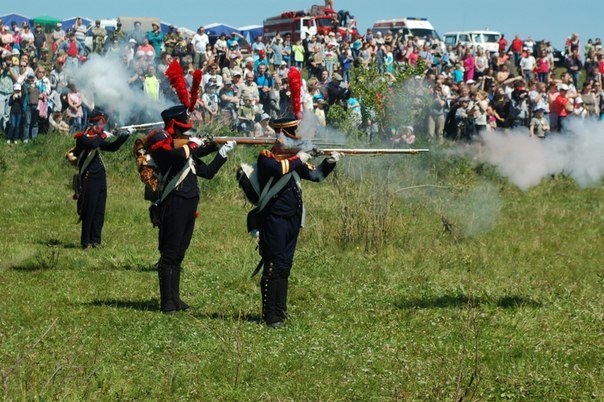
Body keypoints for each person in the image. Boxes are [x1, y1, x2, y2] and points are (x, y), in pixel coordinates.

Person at [146, 104, 235, 313]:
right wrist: (194, 145)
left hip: (188, 204)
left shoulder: (186, 150)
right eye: (184, 131)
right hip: (173, 202)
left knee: (179, 254)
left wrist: (221, 151)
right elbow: (175, 157)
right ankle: (167, 302)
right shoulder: (162, 144)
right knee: (169, 254)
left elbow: (208, 172)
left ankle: (175, 299)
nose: (188, 134)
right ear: (175, 127)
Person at [253, 117, 340, 327]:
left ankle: (280, 311)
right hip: (273, 219)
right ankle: (270, 315)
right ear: (281, 136)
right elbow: (277, 170)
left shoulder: (293, 159)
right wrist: (300, 157)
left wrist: (330, 162)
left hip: (292, 218)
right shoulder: (267, 157)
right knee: (273, 265)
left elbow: (315, 175)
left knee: (284, 266)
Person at [66, 109, 129, 250]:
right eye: (99, 124)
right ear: (93, 124)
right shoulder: (82, 138)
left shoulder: (97, 137)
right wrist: (104, 135)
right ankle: (85, 242)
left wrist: (124, 137)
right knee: (89, 211)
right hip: (89, 178)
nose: (101, 127)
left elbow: (112, 148)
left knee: (100, 211)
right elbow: (93, 144)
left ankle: (96, 240)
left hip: (100, 178)